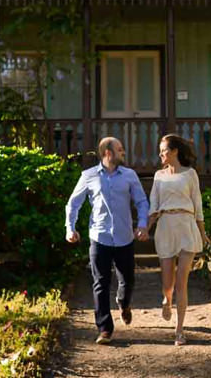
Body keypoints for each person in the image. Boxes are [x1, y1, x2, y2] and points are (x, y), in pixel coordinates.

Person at [65, 136, 150, 344]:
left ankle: (123, 302)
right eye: (120, 149)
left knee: (127, 280)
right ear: (108, 153)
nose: (124, 152)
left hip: (124, 238)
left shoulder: (129, 176)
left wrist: (142, 224)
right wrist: (70, 228)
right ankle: (104, 328)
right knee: (100, 283)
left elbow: (141, 201)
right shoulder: (89, 176)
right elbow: (73, 204)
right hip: (99, 237)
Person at [147, 133, 211, 346]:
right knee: (168, 283)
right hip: (165, 226)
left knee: (182, 281)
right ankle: (167, 299)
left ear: (174, 151)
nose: (160, 154)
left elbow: (198, 206)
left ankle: (179, 331)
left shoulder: (190, 174)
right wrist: (145, 228)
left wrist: (203, 234)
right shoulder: (158, 176)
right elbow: (153, 207)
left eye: (164, 150)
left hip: (186, 226)